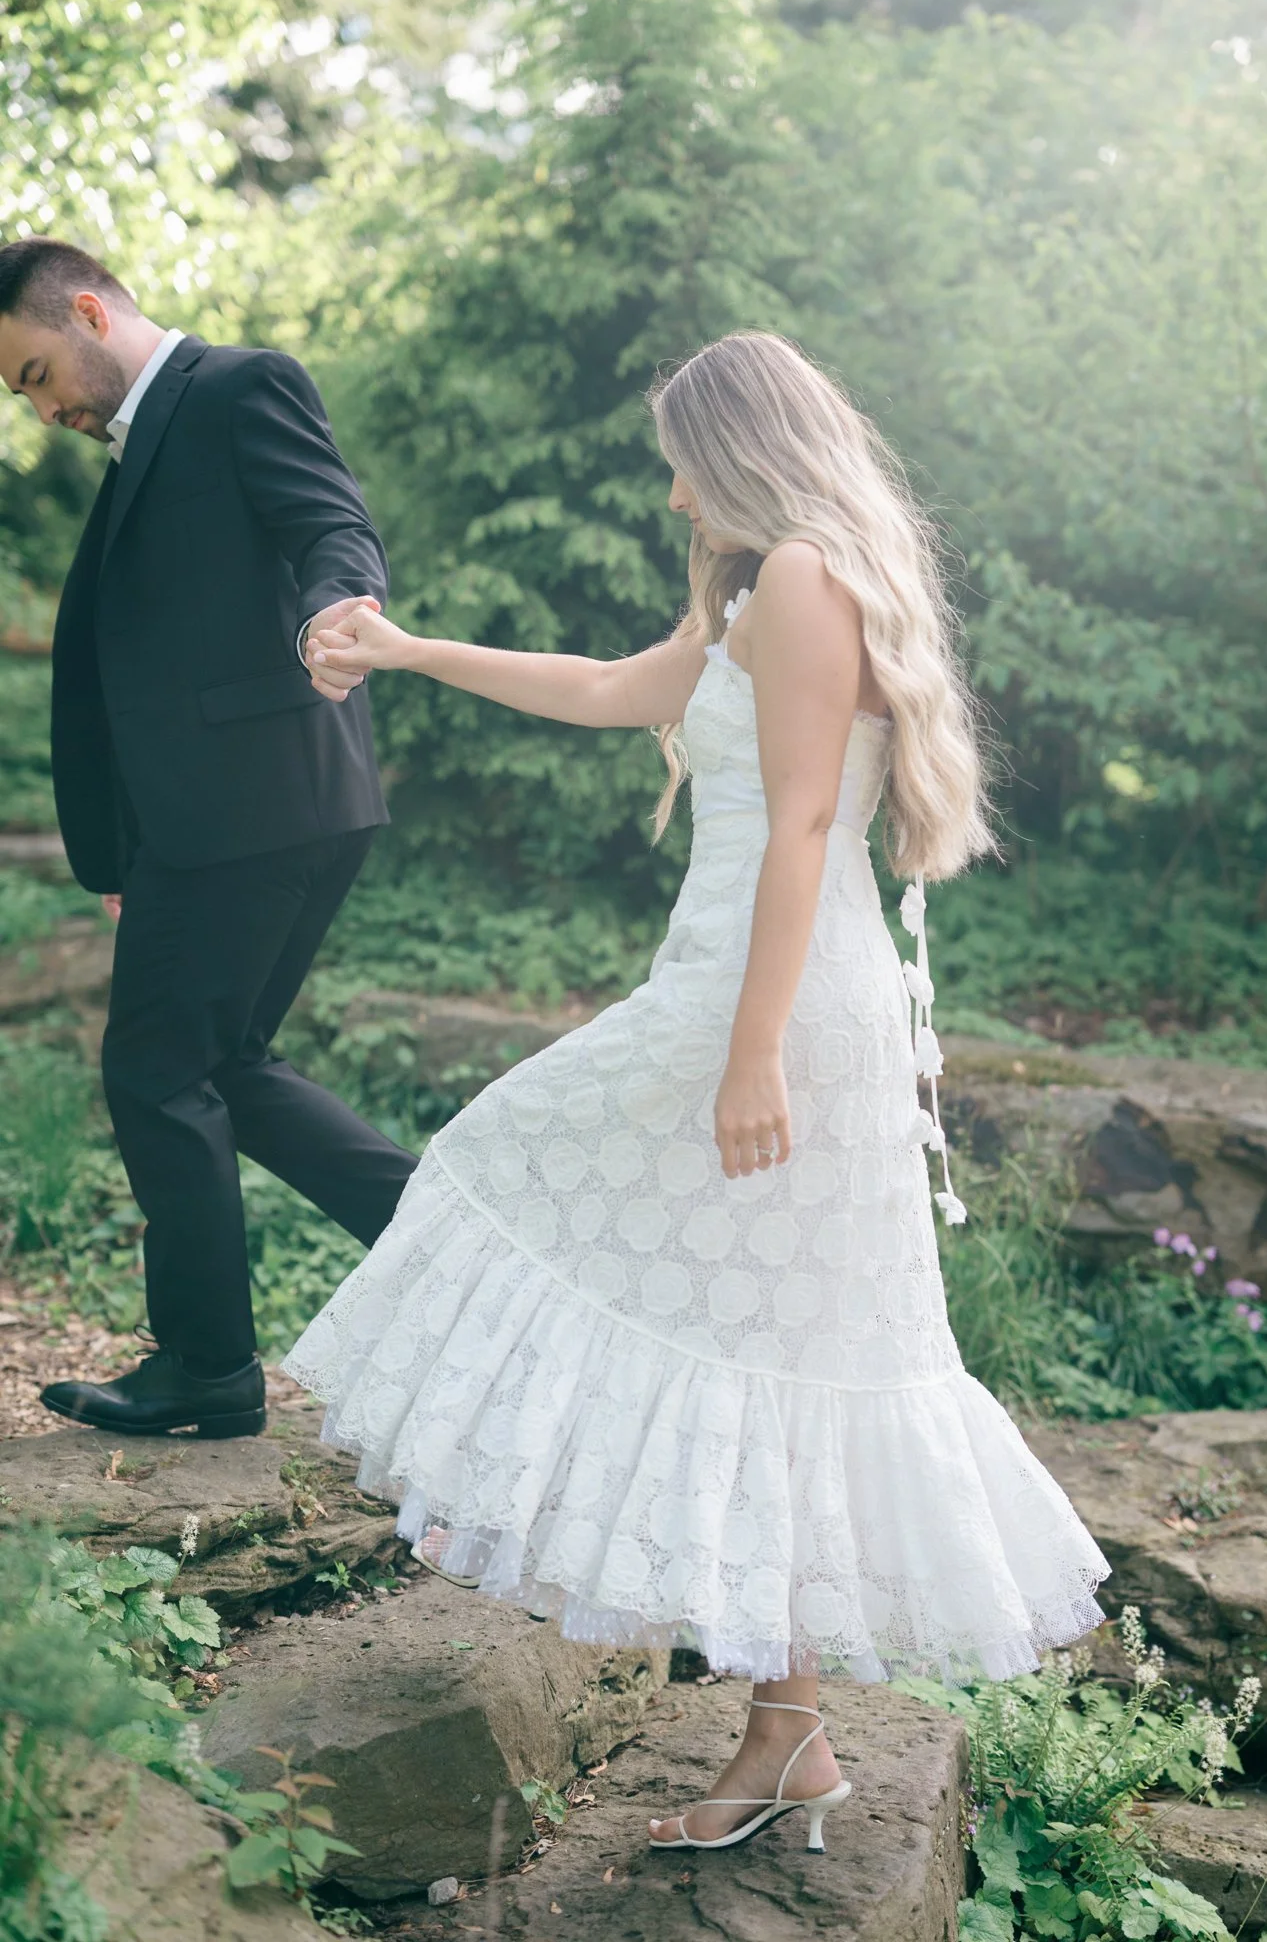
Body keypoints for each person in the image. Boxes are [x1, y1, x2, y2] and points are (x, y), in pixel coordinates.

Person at [283, 331, 1110, 1852]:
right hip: (750, 991)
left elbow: (802, 825)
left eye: (681, 463)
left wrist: (750, 1052)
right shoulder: (763, 590)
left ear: (739, 452)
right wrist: (408, 650)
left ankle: (783, 1726)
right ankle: (788, 1733)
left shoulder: (800, 576)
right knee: (763, 1341)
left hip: (770, 1005)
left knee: (510, 1160)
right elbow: (611, 686)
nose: (672, 495)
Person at [0, 237, 418, 1439]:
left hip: (252, 804)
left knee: (154, 1067)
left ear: (89, 313)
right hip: (231, 813)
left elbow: (333, 525)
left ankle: (207, 1364)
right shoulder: (139, 443)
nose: (41, 410)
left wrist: (338, 608)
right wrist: (124, 849)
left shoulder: (239, 384)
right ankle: (457, 1246)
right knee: (223, 1061)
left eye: (35, 374)